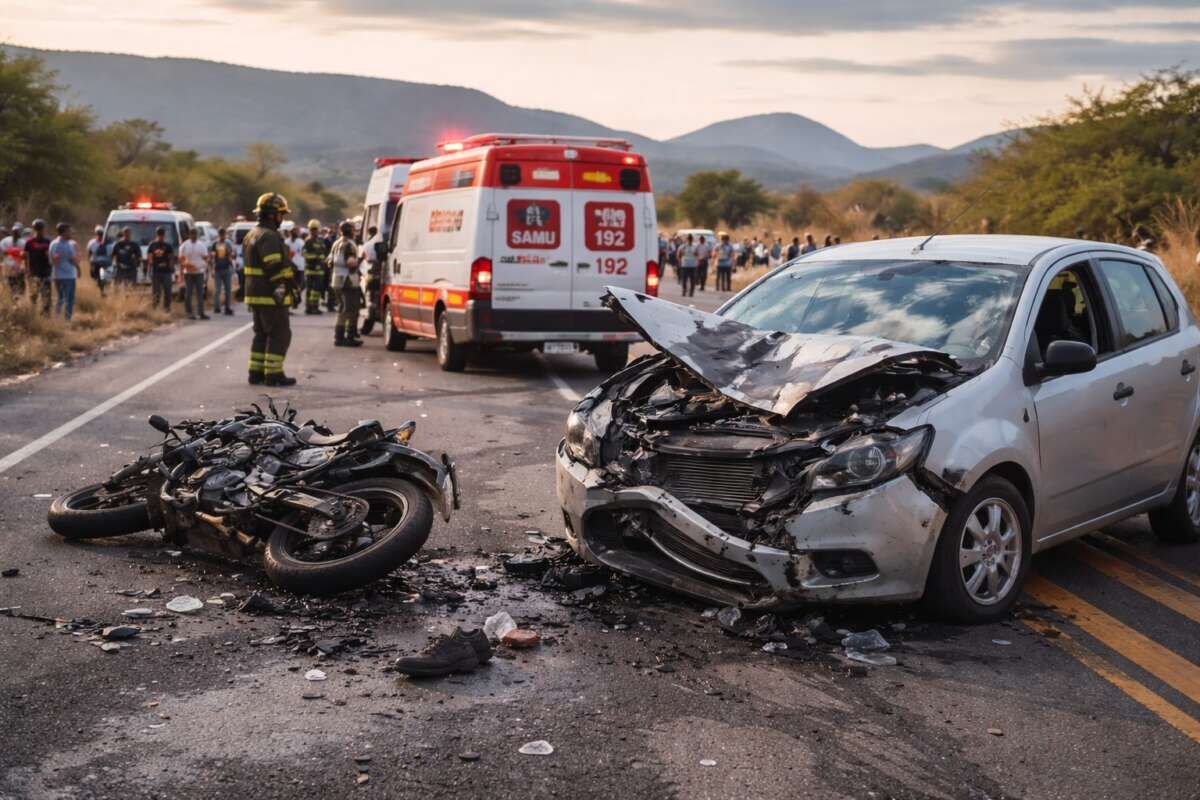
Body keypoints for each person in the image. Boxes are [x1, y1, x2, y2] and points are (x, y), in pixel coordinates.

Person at [244, 193, 299, 386]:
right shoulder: (269, 236)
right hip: (269, 295)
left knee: (261, 334)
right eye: (280, 214)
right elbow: (274, 266)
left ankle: (256, 372)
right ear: (272, 215)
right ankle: (273, 374)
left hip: (255, 294)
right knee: (280, 333)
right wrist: (283, 289)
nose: (281, 219)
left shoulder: (252, 234)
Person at [330, 221, 363, 347]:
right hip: (347, 281)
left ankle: (339, 336)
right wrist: (361, 260)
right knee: (350, 309)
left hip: (337, 280)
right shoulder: (349, 244)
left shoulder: (336, 243)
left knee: (341, 309)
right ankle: (346, 337)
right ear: (351, 231)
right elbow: (350, 263)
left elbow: (329, 261)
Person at [49, 222, 80, 320]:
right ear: (63, 232)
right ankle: (66, 320)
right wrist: (79, 268)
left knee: (60, 298)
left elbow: (52, 259)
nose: (70, 233)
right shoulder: (66, 245)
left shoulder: (53, 243)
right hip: (67, 276)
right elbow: (73, 259)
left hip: (57, 275)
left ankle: (57, 318)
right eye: (69, 231)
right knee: (69, 299)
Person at [179, 228, 210, 320]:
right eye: (192, 234)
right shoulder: (185, 245)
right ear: (189, 235)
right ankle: (189, 312)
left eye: (195, 234)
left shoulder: (201, 245)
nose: (193, 236)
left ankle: (201, 313)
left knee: (200, 293)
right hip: (188, 272)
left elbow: (205, 258)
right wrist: (186, 265)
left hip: (199, 272)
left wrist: (203, 266)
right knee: (188, 293)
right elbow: (181, 258)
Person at [24, 220, 52, 314]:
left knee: (46, 296)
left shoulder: (48, 241)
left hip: (46, 272)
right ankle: (33, 315)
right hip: (33, 273)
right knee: (33, 296)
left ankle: (46, 316)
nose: (40, 230)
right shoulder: (29, 242)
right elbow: (26, 257)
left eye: (41, 228)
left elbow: (51, 257)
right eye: (38, 228)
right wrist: (27, 271)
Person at [146, 227, 176, 310]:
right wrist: (149, 268)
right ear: (157, 235)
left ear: (164, 235)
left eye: (162, 235)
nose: (161, 236)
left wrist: (171, 267)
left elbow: (171, 258)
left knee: (167, 291)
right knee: (156, 292)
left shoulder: (168, 246)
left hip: (166, 272)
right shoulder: (152, 245)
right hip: (156, 271)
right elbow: (150, 257)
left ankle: (167, 309)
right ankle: (155, 309)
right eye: (159, 234)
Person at [302, 219, 327, 314]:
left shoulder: (320, 240)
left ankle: (315, 306)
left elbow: (323, 252)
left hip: (320, 269)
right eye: (312, 229)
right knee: (310, 290)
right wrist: (316, 257)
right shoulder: (308, 241)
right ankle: (309, 308)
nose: (314, 231)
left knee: (317, 290)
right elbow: (305, 254)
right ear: (309, 229)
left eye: (316, 229)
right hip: (310, 269)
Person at [210, 228, 236, 315]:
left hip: (226, 268)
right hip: (218, 269)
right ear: (219, 235)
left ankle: (227, 307)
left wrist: (231, 257)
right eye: (221, 234)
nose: (222, 236)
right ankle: (216, 307)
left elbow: (232, 255)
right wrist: (212, 268)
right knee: (217, 289)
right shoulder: (215, 244)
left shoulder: (228, 243)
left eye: (223, 234)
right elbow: (212, 257)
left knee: (228, 289)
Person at [1, 222, 27, 296]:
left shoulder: (5, 241)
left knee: (16, 289)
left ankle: (16, 303)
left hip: (14, 269)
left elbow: (3, 253)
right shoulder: (23, 242)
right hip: (13, 269)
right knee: (17, 289)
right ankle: (16, 303)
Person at [87, 226, 111, 296]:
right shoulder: (92, 243)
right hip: (95, 263)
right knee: (96, 279)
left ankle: (103, 292)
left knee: (103, 279)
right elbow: (89, 253)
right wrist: (90, 264)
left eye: (101, 234)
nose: (100, 236)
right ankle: (101, 292)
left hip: (105, 264)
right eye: (98, 234)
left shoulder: (108, 243)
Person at [287, 225, 305, 309]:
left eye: (296, 231)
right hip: (291, 267)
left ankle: (297, 296)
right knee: (291, 285)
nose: (294, 233)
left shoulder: (301, 242)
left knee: (301, 284)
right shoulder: (286, 242)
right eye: (293, 231)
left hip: (300, 266)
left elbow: (303, 253)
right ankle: (294, 301)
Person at [677, 233, 698, 297]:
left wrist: (696, 256)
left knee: (692, 280)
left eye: (691, 239)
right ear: (687, 239)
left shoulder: (695, 246)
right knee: (684, 279)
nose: (690, 240)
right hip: (685, 265)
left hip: (693, 265)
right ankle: (684, 291)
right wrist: (680, 261)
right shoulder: (683, 246)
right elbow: (678, 254)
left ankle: (691, 292)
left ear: (692, 239)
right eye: (689, 239)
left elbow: (697, 254)